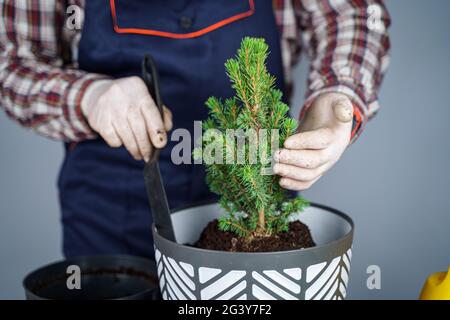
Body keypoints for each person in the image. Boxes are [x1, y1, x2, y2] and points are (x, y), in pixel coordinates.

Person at [0, 0, 390, 258]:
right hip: (110, 206)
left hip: (256, 183)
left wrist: (336, 97)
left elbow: (352, 12)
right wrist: (88, 96)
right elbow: (13, 61)